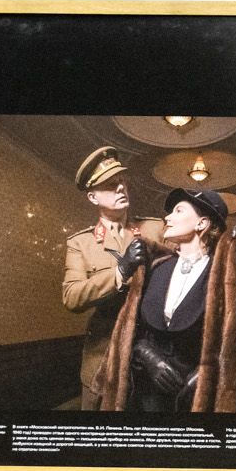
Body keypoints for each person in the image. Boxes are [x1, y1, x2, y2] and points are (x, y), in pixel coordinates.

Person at [90, 187, 236, 414]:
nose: (167, 217)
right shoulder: (155, 268)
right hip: (145, 398)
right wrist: (147, 356)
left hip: (197, 401)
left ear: (202, 223)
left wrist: (206, 375)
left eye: (178, 211)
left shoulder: (224, 274)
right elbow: (133, 329)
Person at [58, 145, 164, 408]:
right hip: (101, 359)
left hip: (150, 357)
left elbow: (198, 246)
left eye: (121, 182)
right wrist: (119, 272)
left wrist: (229, 239)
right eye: (109, 185)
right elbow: (71, 297)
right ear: (93, 197)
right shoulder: (80, 244)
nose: (120, 188)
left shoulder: (155, 228)